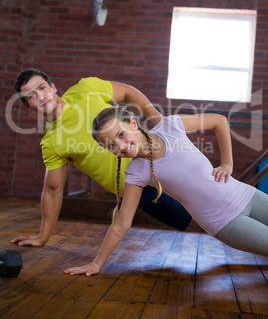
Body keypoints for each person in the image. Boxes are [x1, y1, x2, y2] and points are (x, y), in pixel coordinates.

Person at [64, 106, 268, 277]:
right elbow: (121, 224)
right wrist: (97, 263)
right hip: (225, 222)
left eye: (121, 134)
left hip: (247, 195)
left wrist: (227, 163)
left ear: (133, 123)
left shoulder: (171, 126)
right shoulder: (136, 174)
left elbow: (219, 121)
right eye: (111, 145)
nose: (121, 146)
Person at [10, 69, 191, 247]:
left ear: (53, 87)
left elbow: (128, 92)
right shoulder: (51, 143)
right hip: (140, 190)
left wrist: (159, 120)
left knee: (211, 199)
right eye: (32, 95)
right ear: (27, 105)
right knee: (190, 222)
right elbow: (52, 191)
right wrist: (43, 236)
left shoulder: (85, 88)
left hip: (158, 158)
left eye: (42, 88)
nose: (41, 97)